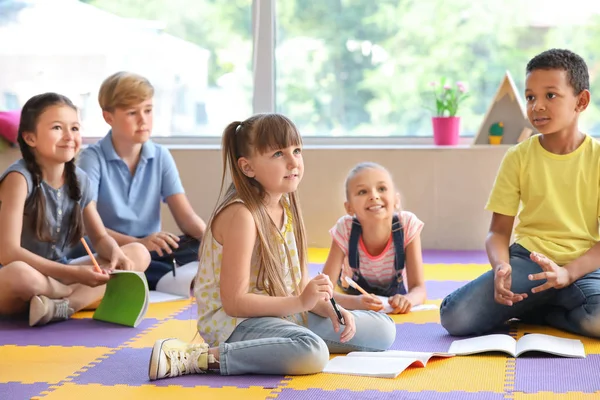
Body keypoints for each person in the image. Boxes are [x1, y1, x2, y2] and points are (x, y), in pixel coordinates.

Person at [148, 114, 396, 379]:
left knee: (384, 330)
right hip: (236, 323)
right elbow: (234, 303)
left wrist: (333, 309)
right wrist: (301, 302)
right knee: (311, 351)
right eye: (278, 154)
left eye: (297, 150)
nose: (293, 162)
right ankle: (196, 357)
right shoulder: (242, 215)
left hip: (284, 313)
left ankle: (282, 343)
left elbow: (301, 288)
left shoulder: (288, 207)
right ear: (247, 167)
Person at [440, 48, 600, 338]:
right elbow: (498, 233)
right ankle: (542, 303)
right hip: (529, 261)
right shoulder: (518, 157)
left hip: (584, 267)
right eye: (530, 97)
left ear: (581, 101)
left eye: (550, 95)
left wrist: (567, 273)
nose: (537, 106)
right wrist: (502, 268)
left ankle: (538, 309)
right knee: (455, 317)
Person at [0, 92, 150, 327]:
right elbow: (8, 253)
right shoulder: (19, 179)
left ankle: (62, 307)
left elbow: (99, 236)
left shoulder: (79, 180)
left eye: (75, 128)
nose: (69, 136)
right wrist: (74, 277)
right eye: (58, 128)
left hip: (58, 273)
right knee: (20, 273)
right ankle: (64, 294)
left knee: (138, 254)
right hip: (19, 281)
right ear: (30, 138)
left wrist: (114, 253)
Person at [77, 72, 206, 289]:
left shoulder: (161, 155)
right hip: (109, 248)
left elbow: (186, 217)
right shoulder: (92, 158)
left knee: (194, 244)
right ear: (108, 117)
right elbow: (87, 227)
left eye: (148, 110)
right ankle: (160, 277)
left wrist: (213, 243)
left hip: (150, 249)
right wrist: (138, 243)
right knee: (130, 256)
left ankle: (152, 276)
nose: (143, 120)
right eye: (132, 113)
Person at [322, 162, 427, 314]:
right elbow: (325, 290)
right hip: (354, 294)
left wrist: (408, 300)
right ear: (349, 207)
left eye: (382, 189)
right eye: (363, 192)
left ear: (396, 200)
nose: (374, 196)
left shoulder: (407, 224)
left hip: (394, 298)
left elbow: (419, 288)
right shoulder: (345, 228)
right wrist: (355, 302)